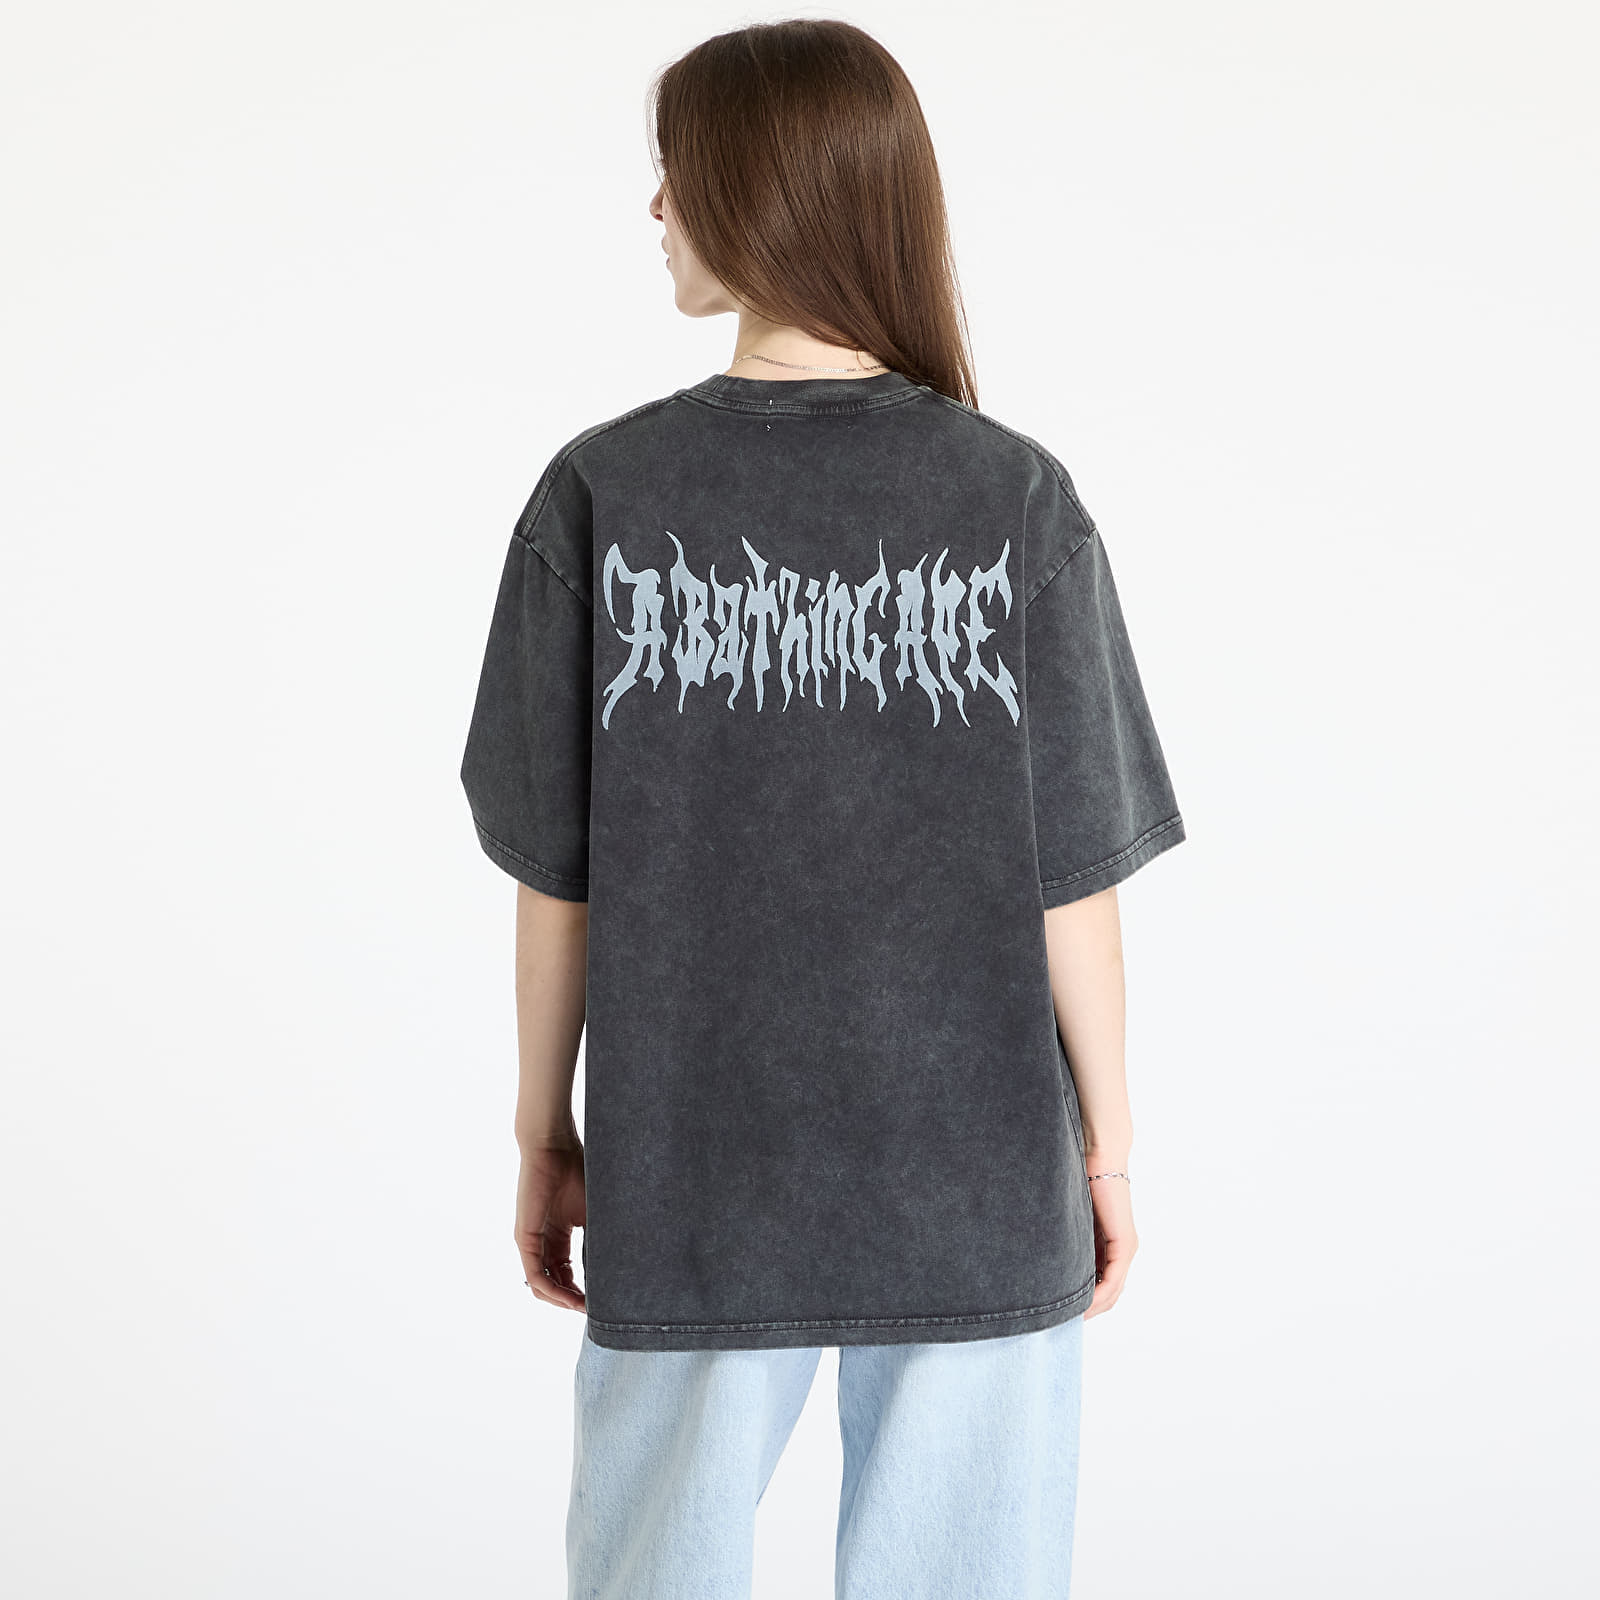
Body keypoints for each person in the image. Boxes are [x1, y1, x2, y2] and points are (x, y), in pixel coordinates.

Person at [459, 18, 1185, 1599]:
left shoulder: (603, 494)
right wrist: (1109, 1150)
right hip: (976, 1170)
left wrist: (545, 1133)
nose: (657, 207)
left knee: (651, 1568)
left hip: (691, 1169)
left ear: (760, 188)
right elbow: (1073, 881)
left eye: (677, 172)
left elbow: (557, 881)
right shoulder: (1015, 498)